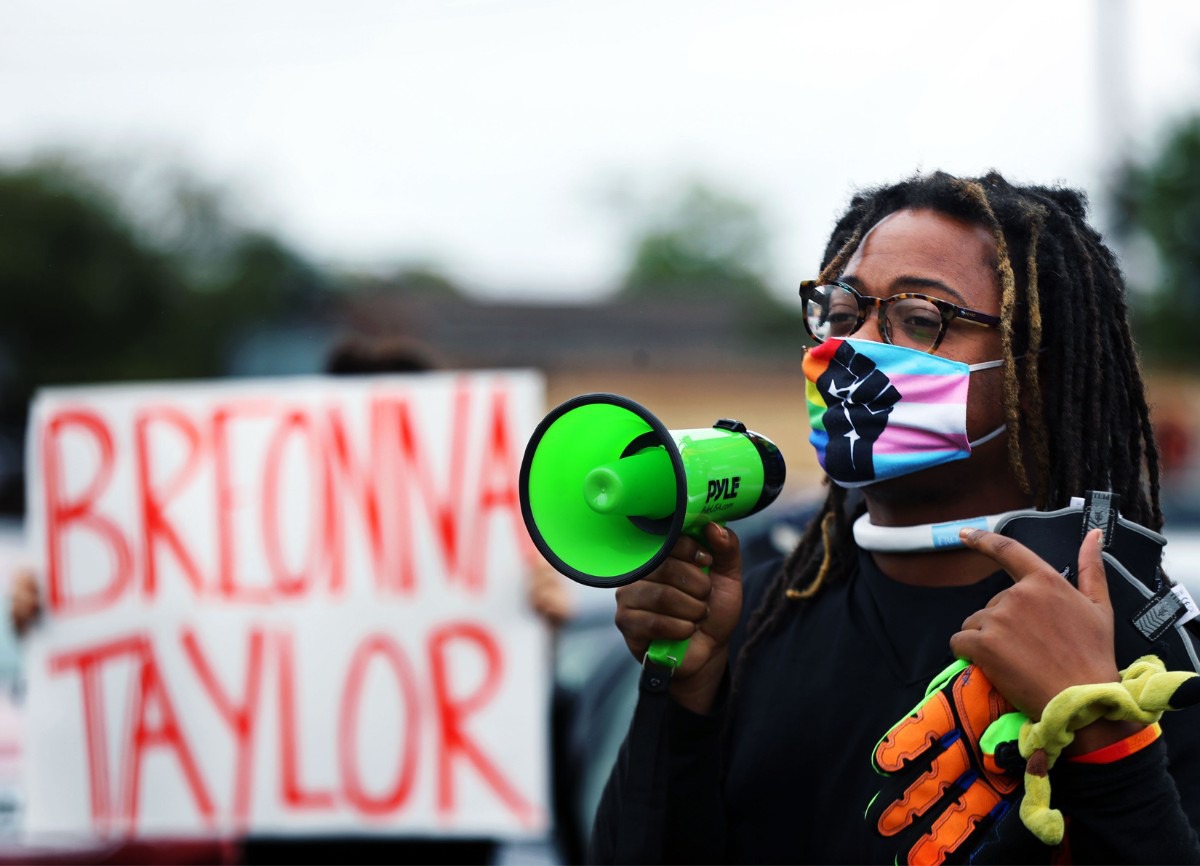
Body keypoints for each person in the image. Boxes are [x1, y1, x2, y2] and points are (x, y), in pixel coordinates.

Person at [589, 170, 1200, 864]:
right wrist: (684, 694)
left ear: (1038, 365)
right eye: (844, 314)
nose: (852, 349)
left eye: (919, 318)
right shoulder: (758, 616)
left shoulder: (1128, 642)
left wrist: (1097, 731)